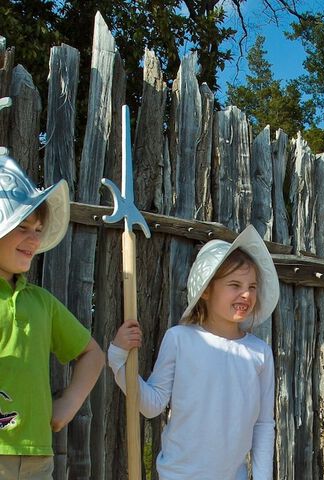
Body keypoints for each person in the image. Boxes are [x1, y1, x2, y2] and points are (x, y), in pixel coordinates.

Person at [108, 225, 279, 479]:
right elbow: (152, 404)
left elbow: (264, 424)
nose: (246, 294)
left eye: (252, 287)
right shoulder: (180, 339)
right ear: (206, 290)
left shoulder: (259, 353)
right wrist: (118, 358)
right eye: (235, 284)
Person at [0, 155, 105, 479]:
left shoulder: (41, 303)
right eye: (22, 227)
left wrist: (69, 403)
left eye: (39, 230)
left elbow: (92, 354)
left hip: (37, 454)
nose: (34, 239)